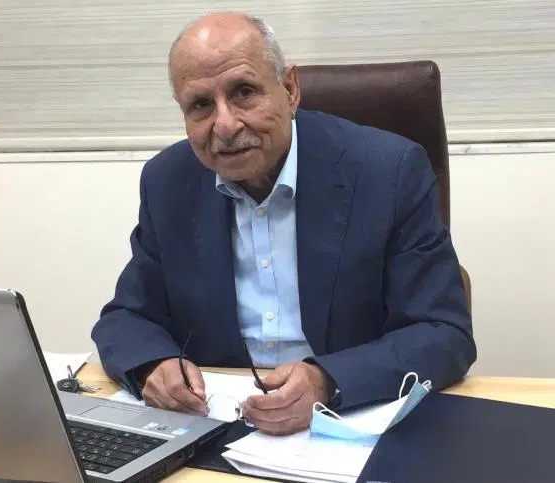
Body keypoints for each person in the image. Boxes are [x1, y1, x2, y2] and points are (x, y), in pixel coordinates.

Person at [91, 11, 476, 436]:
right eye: (201, 105)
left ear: (290, 89)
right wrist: (152, 365)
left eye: (244, 92)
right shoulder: (169, 181)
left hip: (349, 422)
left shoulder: (389, 171)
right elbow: (126, 317)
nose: (225, 125)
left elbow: (443, 333)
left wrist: (328, 380)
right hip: (218, 424)